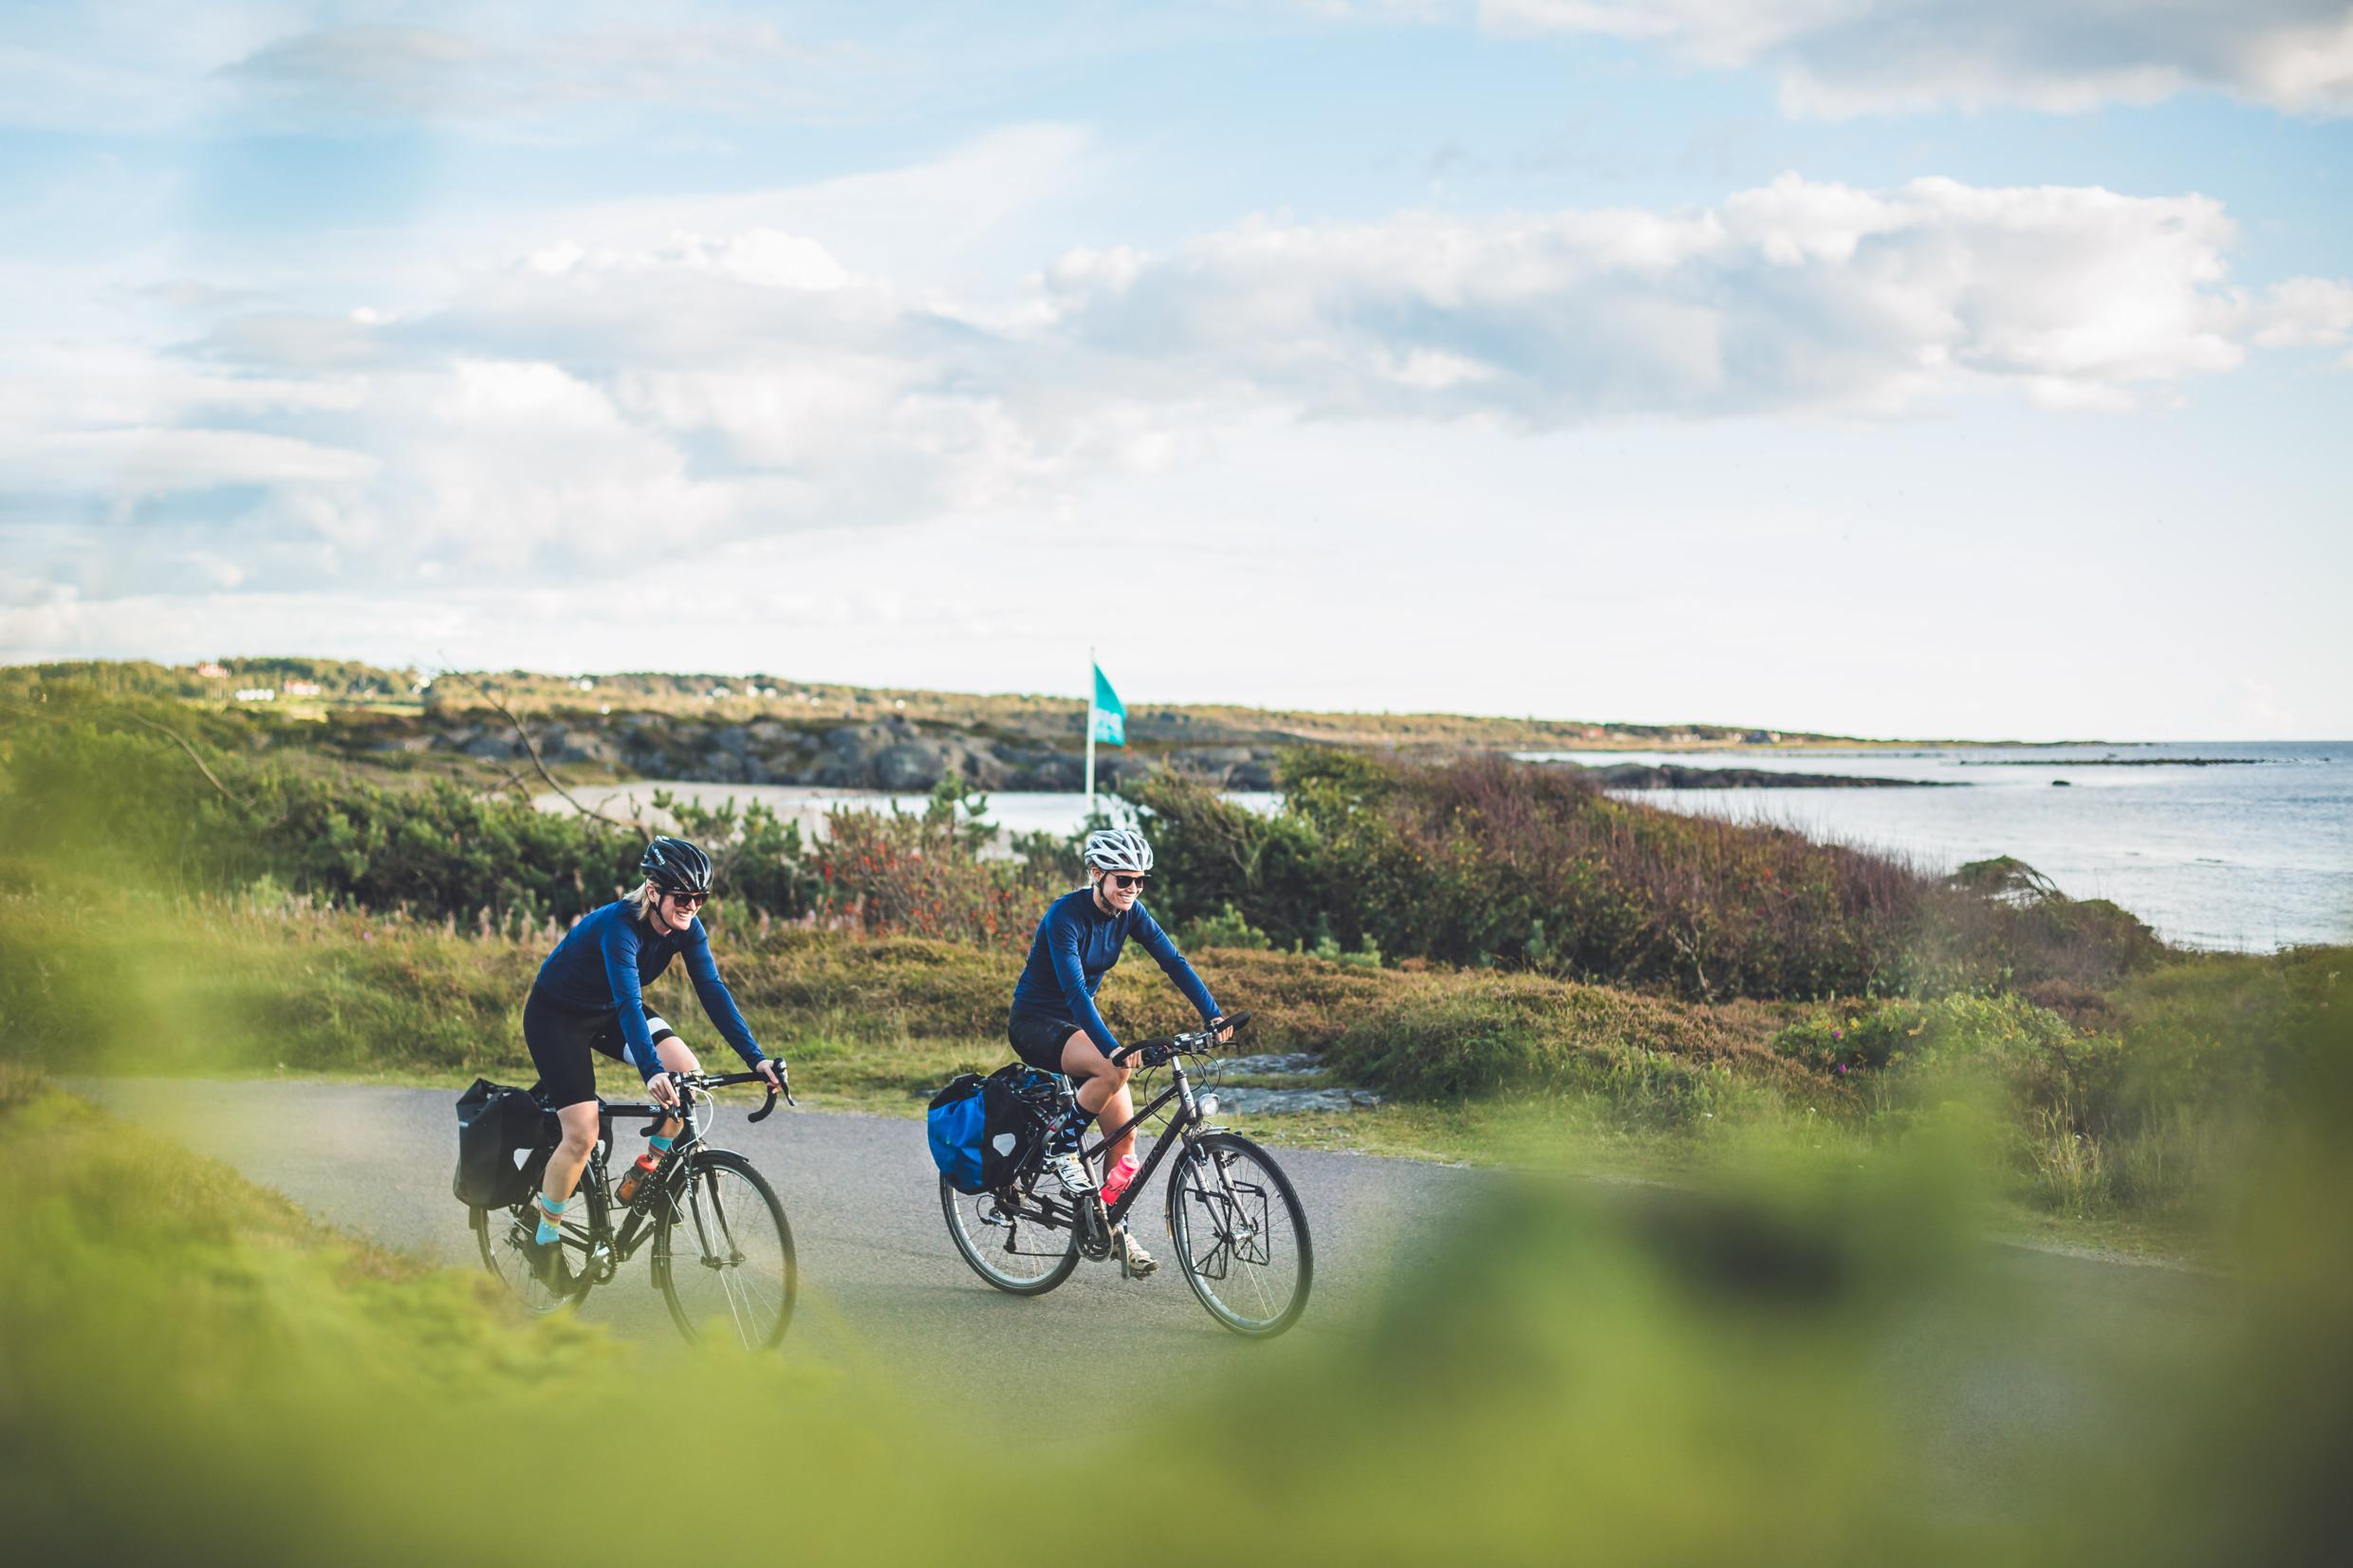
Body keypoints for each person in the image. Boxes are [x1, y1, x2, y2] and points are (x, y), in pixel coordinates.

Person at [517, 836, 786, 1282]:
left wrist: (756, 1059)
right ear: (654, 891)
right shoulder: (620, 926)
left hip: (607, 1011)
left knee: (690, 1078)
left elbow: (713, 992)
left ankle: (646, 1171)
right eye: (683, 896)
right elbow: (629, 1000)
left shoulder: (687, 927)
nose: (692, 906)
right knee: (581, 1133)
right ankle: (544, 1237)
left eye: (700, 898)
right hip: (557, 1016)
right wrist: (650, 1071)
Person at [1008, 826, 1230, 1278]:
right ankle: (1061, 1149)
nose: (1132, 888)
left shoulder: (1131, 913)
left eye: (1140, 880)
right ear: (1096, 873)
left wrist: (1214, 1016)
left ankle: (1113, 1228)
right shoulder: (1064, 917)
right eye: (1123, 879)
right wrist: (1112, 1050)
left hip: (1075, 1027)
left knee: (1124, 1135)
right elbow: (1075, 993)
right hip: (1036, 1024)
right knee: (1114, 1074)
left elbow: (1173, 962)